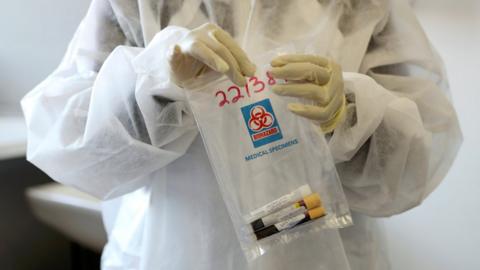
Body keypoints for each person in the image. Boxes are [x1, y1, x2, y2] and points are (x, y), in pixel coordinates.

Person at [21, 0, 462, 269]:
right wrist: (155, 82)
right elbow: (70, 143)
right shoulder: (137, 2)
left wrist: (350, 114)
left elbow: (420, 153)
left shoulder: (358, 4)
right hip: (175, 252)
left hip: (327, 256)